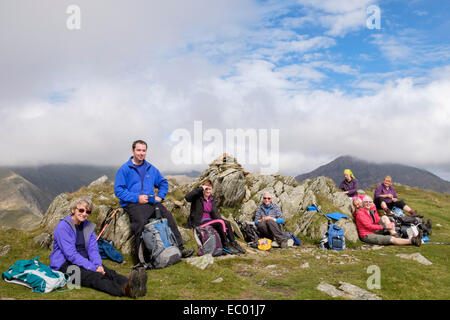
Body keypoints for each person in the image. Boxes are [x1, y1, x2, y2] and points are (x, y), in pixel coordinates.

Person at [49, 196, 148, 298]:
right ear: (73, 210)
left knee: (109, 272)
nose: (84, 214)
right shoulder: (63, 227)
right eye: (81, 210)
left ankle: (134, 285)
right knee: (94, 277)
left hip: (83, 260)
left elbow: (93, 249)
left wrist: (98, 265)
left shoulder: (88, 226)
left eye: (88, 212)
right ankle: (124, 291)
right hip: (64, 266)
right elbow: (71, 255)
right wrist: (92, 267)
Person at [114, 140, 194, 262]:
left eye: (143, 150)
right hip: (133, 203)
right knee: (140, 223)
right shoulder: (125, 169)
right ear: (133, 151)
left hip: (151, 202)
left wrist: (160, 197)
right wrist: (137, 198)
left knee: (168, 218)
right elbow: (118, 190)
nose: (141, 153)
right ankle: (142, 260)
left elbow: (163, 182)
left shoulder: (150, 168)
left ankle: (180, 248)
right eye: (138, 150)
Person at [184, 179, 246, 254]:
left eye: (209, 189)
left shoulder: (211, 199)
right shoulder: (197, 197)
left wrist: (226, 225)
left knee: (227, 223)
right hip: (199, 222)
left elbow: (216, 214)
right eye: (206, 189)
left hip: (209, 221)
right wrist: (200, 188)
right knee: (220, 222)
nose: (208, 191)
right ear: (203, 189)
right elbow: (187, 197)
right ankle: (225, 245)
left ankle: (234, 244)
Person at [355, 195, 422, 246]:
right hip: (367, 235)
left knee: (384, 217)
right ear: (363, 203)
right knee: (391, 239)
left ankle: (394, 233)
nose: (368, 203)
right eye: (366, 202)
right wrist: (385, 227)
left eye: (370, 202)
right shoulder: (361, 214)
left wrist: (390, 224)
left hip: (373, 231)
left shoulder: (370, 211)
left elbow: (377, 219)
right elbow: (369, 226)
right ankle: (413, 241)